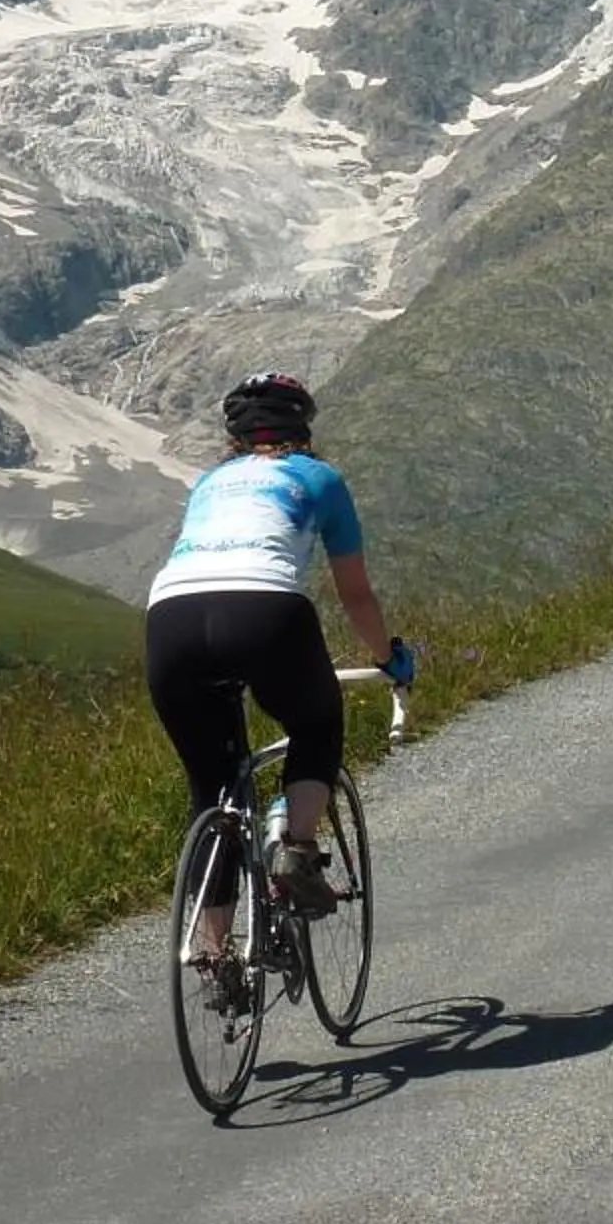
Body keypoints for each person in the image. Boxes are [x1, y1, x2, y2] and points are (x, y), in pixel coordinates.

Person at [145, 371, 412, 951]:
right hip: (265, 607)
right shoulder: (319, 478)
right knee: (316, 723)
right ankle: (294, 849)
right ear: (303, 427)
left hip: (170, 617)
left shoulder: (211, 482)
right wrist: (388, 657)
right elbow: (356, 595)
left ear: (234, 437)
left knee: (210, 788)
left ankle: (215, 956)